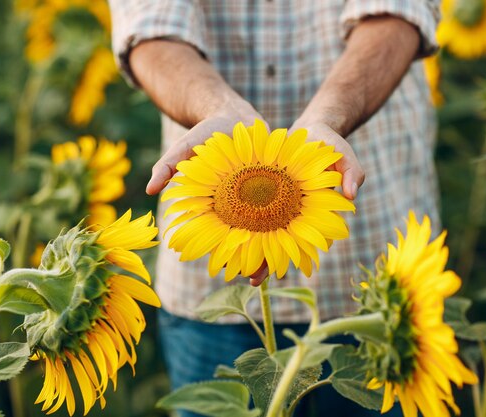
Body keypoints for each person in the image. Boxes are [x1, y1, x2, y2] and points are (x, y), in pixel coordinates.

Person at [109, 1, 440, 416]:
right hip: (215, 275)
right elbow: (151, 29)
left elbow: (397, 12)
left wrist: (330, 117)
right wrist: (218, 111)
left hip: (377, 284)